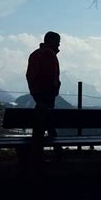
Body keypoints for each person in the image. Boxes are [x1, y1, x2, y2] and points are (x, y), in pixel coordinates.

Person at [26, 31, 62, 161]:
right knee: (48, 121)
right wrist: (54, 89)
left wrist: (34, 91)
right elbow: (50, 77)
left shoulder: (34, 55)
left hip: (38, 95)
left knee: (41, 124)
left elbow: (29, 76)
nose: (59, 46)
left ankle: (39, 154)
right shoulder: (49, 55)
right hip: (47, 95)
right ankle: (56, 154)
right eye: (57, 43)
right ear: (51, 41)